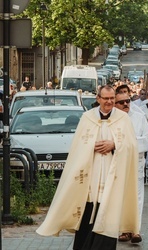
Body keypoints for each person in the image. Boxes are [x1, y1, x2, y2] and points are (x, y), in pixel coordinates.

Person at [36, 85, 140, 250]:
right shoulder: (87, 118)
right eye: (105, 98)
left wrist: (114, 144)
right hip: (89, 179)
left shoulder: (123, 119)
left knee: (108, 218)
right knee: (86, 218)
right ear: (98, 99)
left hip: (111, 176)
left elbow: (132, 146)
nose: (109, 102)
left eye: (112, 98)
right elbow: (78, 147)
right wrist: (92, 145)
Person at [114, 92, 148, 244]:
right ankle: (124, 230)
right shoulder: (112, 120)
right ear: (115, 104)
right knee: (121, 197)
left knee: (137, 197)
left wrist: (128, 143)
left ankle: (135, 230)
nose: (125, 104)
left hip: (136, 163)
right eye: (121, 102)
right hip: (117, 165)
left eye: (128, 101)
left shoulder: (139, 118)